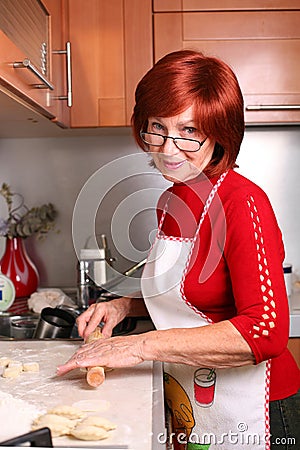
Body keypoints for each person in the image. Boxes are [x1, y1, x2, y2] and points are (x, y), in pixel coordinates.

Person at [57, 50, 300, 449]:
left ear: (219, 133)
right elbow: (187, 292)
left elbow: (266, 331)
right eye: (158, 127)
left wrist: (137, 346)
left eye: (189, 131)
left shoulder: (244, 203)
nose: (169, 149)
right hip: (193, 399)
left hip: (260, 412)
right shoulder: (171, 201)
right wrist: (124, 305)